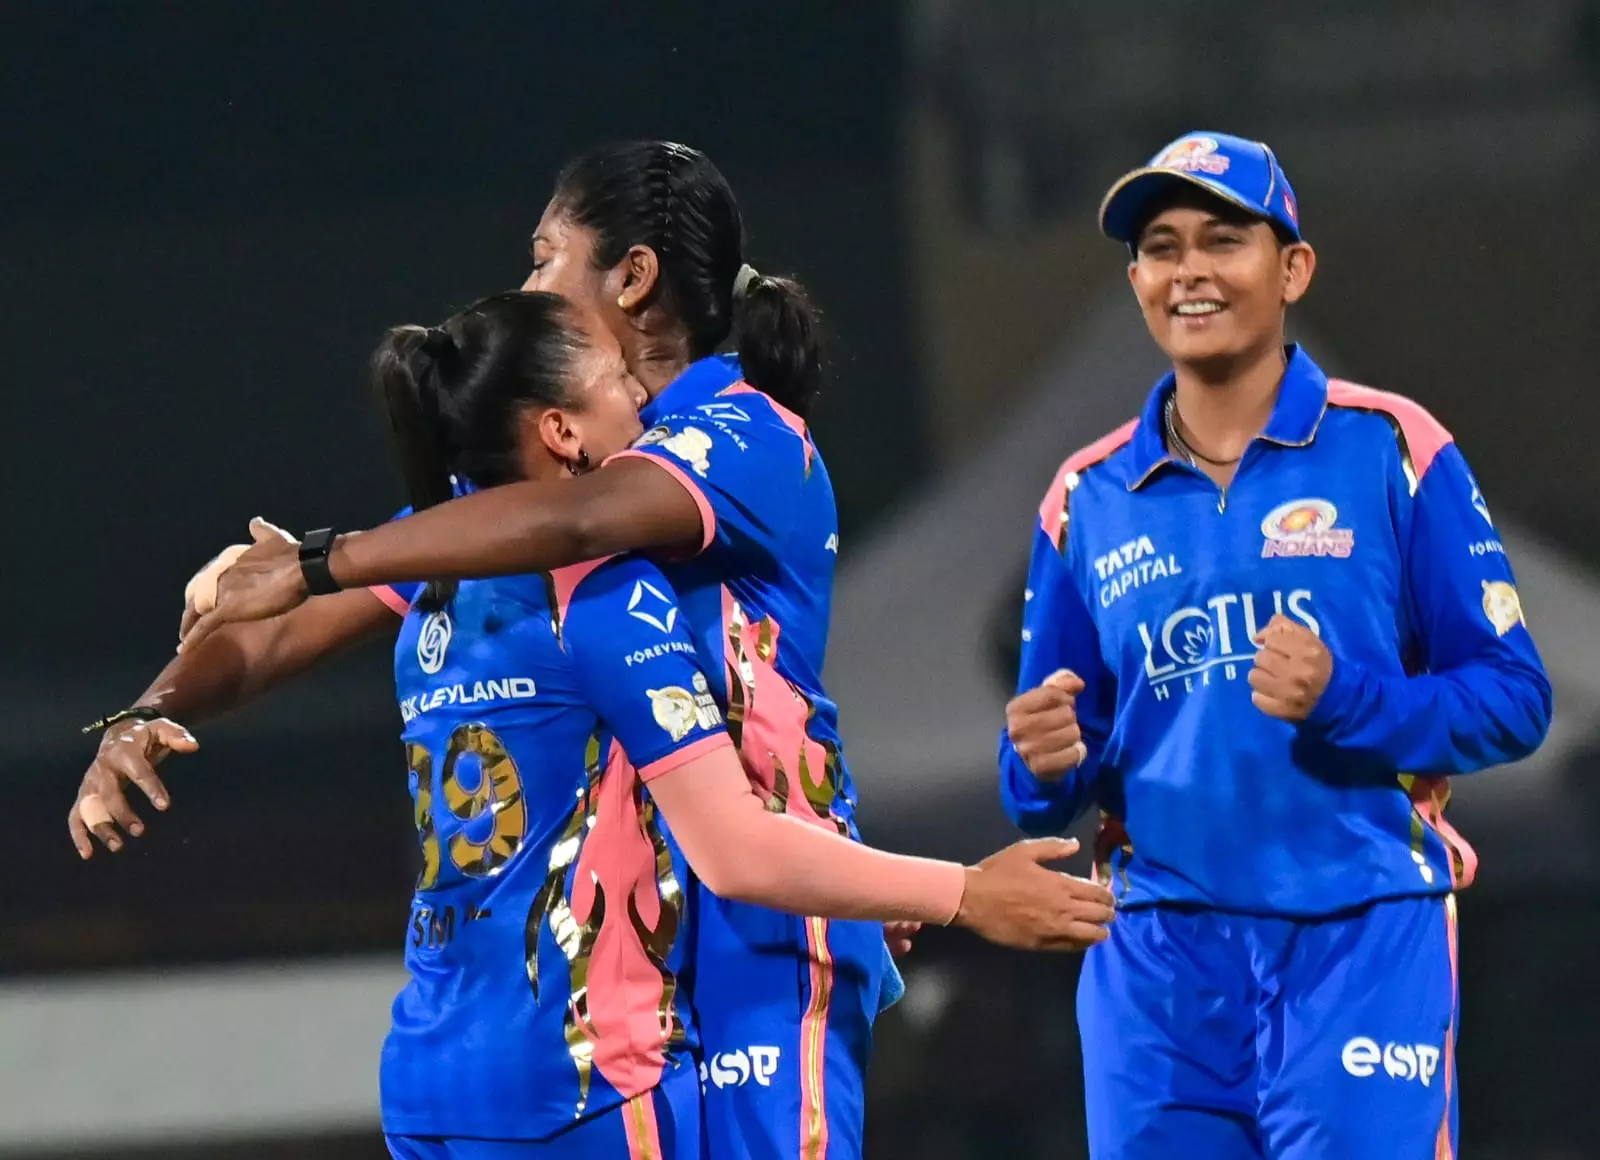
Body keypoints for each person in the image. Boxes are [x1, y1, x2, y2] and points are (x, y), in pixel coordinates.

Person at [169, 139, 1107, 1159]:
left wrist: (321, 557)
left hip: (765, 917)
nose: (527, 285)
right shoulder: (540, 489)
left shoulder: (739, 435)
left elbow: (572, 523)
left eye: (544, 257)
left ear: (633, 276)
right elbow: (311, 616)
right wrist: (150, 710)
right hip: (649, 934)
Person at [997, 131, 1552, 1159]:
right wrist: (1039, 764)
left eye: (1222, 239)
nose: (1189, 270)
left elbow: (1514, 698)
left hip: (1361, 935)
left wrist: (1349, 697)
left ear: (1292, 268)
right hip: (1158, 967)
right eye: (1161, 248)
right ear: (1135, 281)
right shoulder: (1085, 496)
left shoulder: (1391, 446)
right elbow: (1048, 771)